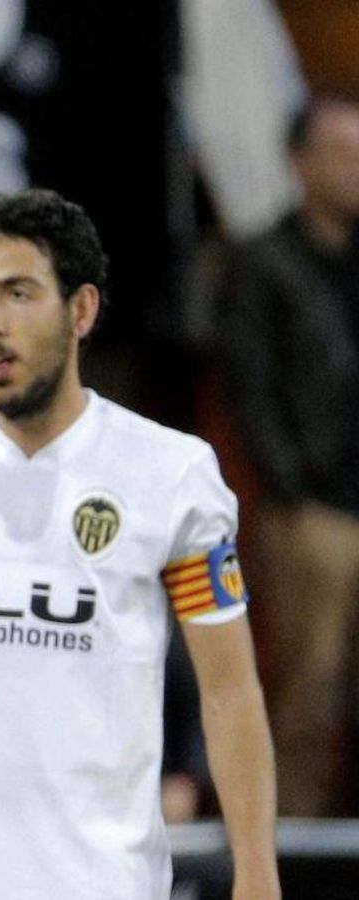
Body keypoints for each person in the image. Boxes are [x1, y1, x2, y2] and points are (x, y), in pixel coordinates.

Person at [0, 188, 279, 898]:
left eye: (18, 294)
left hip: (96, 882)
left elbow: (228, 690)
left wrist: (256, 874)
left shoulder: (170, 475)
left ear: (81, 310)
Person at [218, 95, 359, 816]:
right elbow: (254, 390)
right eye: (341, 153)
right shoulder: (265, 260)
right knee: (312, 690)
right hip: (315, 511)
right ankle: (292, 852)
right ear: (299, 165)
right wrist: (291, 490)